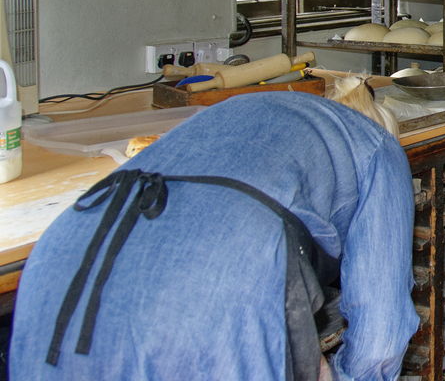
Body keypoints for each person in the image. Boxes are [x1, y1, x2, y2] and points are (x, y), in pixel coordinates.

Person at [7, 79, 419, 381]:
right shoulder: (378, 149)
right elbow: (380, 339)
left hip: (61, 261)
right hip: (213, 286)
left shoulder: (248, 111)